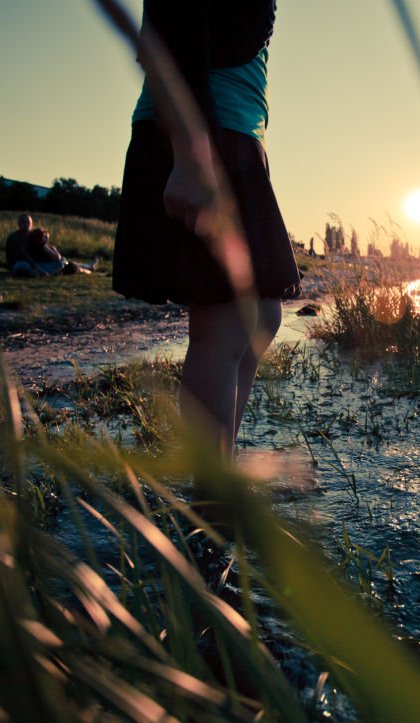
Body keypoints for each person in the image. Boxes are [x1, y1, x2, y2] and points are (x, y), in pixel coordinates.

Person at [112, 1, 300, 463]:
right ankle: (211, 510)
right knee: (227, 323)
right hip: (202, 133)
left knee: (262, 318)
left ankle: (218, 482)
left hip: (235, 132)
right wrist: (192, 151)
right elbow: (172, 20)